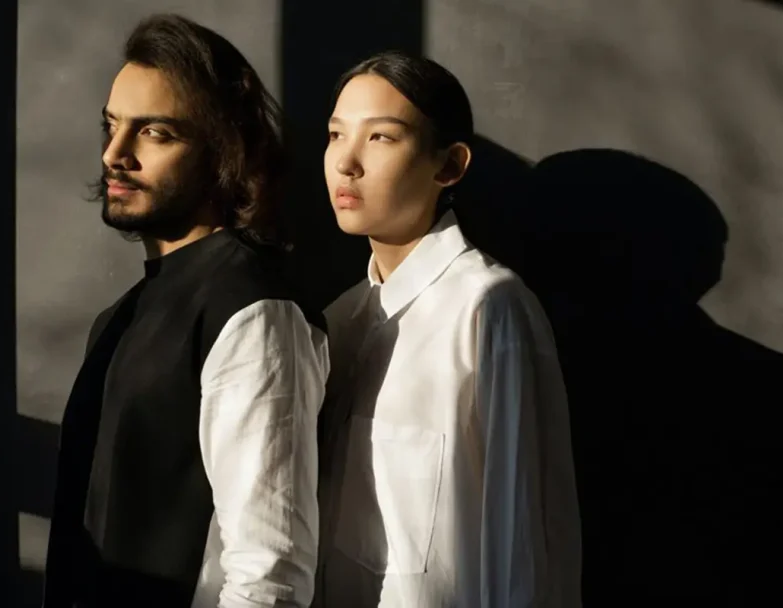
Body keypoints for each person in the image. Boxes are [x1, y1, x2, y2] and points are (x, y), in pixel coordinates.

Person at [43, 14, 329, 608]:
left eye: (155, 133)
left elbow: (269, 574)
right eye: (112, 126)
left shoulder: (252, 309)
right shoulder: (121, 315)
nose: (115, 154)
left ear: (222, 151)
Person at [313, 51, 582, 607]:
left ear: (450, 165)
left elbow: (522, 535)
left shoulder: (487, 307)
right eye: (336, 135)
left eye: (380, 137)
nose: (347, 163)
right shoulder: (341, 318)